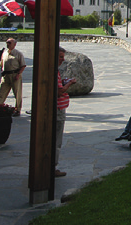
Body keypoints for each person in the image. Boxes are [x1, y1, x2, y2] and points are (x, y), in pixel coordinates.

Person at [55, 46, 76, 177]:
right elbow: (59, 91)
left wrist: (63, 82)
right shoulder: (53, 71)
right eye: (61, 57)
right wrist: (70, 83)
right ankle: (53, 168)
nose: (63, 59)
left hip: (58, 108)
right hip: (57, 110)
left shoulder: (54, 70)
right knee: (56, 140)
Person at [0, 38, 26, 117]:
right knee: (1, 93)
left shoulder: (18, 54)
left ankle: (17, 109)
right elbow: (1, 64)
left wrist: (18, 74)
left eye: (9, 43)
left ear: (14, 44)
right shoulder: (4, 53)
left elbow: (23, 65)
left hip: (15, 75)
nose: (7, 44)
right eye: (7, 42)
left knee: (17, 93)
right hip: (6, 76)